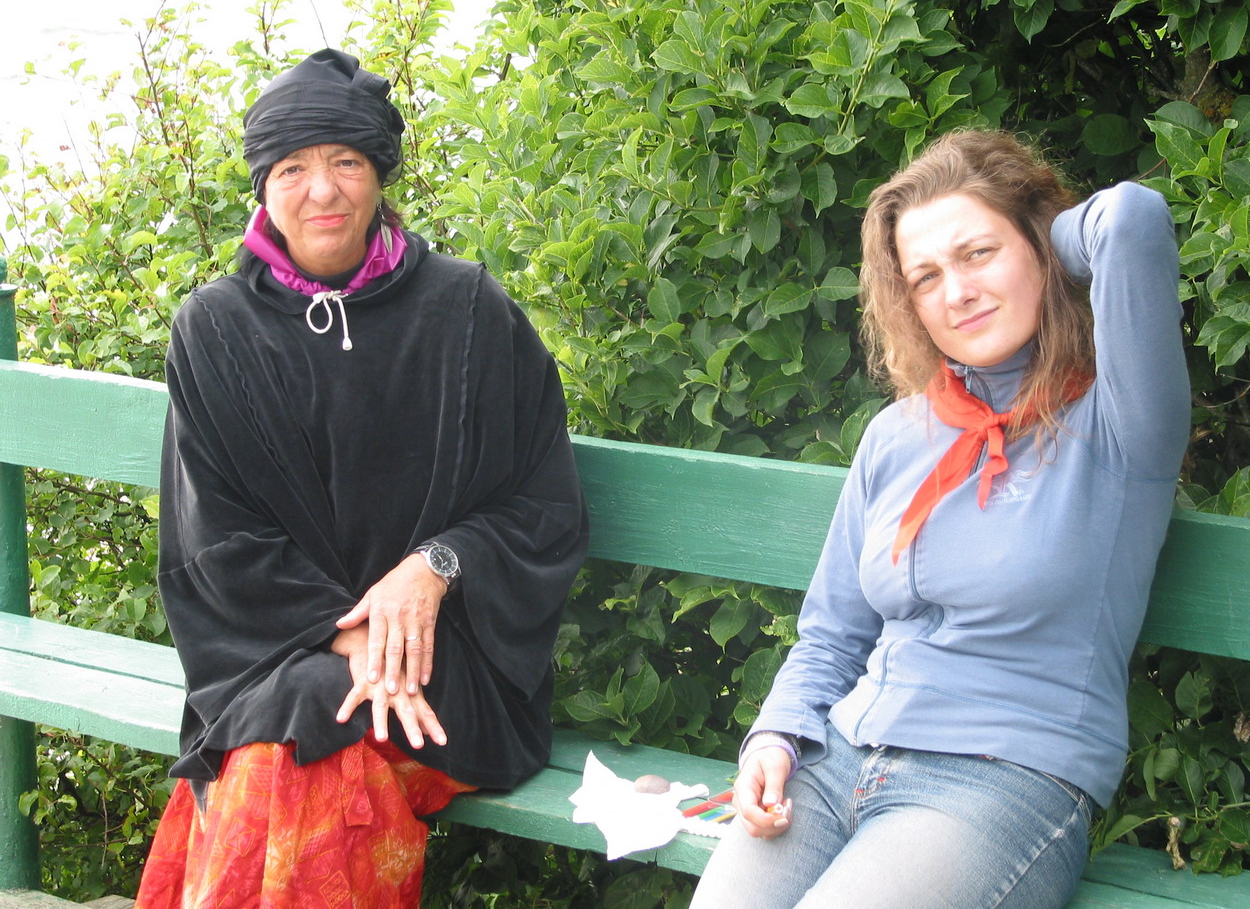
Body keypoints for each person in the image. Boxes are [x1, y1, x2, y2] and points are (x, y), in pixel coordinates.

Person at [134, 49, 589, 908]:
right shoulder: (215, 332)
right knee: (302, 726)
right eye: (293, 169)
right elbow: (216, 543)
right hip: (281, 652)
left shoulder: (467, 313)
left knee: (284, 741)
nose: (323, 191)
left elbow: (543, 505)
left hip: (445, 662)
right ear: (263, 186)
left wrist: (435, 567)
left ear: (380, 175)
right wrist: (347, 637)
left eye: (346, 161)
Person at [689, 130, 1190, 909]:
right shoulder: (898, 435)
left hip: (999, 781)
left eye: (979, 252)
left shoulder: (1120, 424)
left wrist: (1049, 235)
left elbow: (1131, 220)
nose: (957, 292)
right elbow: (833, 632)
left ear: (1039, 247)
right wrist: (777, 733)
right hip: (837, 759)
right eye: (925, 277)